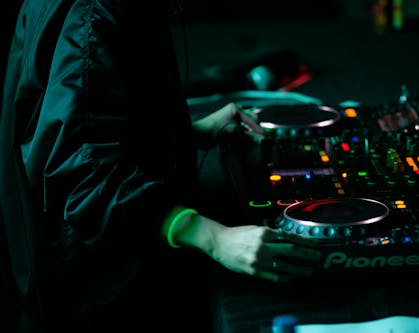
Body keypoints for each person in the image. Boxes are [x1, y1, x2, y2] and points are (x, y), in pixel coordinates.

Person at [0, 1, 322, 332]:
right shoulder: (92, 14)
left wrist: (187, 133)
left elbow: (79, 119)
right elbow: (84, 181)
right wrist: (213, 237)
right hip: (98, 294)